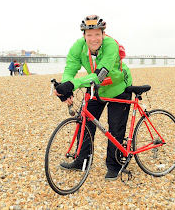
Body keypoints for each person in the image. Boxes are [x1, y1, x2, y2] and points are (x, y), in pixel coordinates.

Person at [54, 15, 133, 181]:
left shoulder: (111, 45)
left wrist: (72, 85)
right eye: (89, 35)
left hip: (119, 88)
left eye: (97, 34)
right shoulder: (78, 47)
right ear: (84, 35)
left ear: (103, 34)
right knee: (86, 122)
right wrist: (65, 87)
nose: (93, 38)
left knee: (115, 127)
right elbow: (70, 68)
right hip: (97, 89)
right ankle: (82, 161)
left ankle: (114, 165)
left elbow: (100, 75)